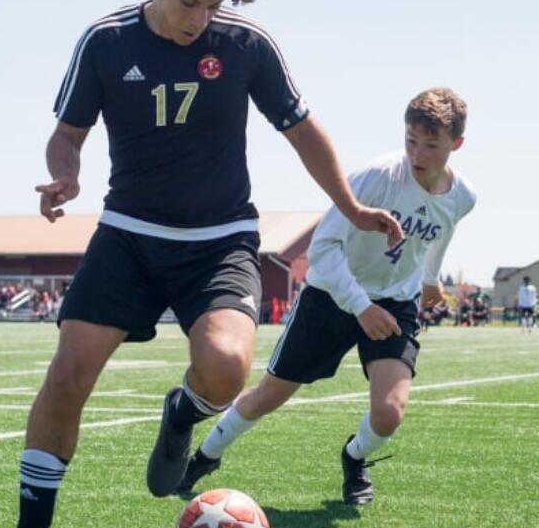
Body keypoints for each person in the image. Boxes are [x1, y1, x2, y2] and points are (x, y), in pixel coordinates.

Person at [0, 0, 400, 528]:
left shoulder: (247, 46)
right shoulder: (105, 42)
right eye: (188, 1)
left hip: (219, 240)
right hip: (128, 236)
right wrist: (66, 174)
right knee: (67, 377)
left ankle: (182, 413)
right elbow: (67, 133)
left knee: (228, 366)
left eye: (213, 4)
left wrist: (350, 204)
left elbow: (304, 131)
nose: (199, 17)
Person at [178, 88, 475, 504]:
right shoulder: (376, 178)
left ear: (456, 144)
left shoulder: (463, 197)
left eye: (431, 145)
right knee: (269, 395)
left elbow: (439, 235)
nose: (417, 154)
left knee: (389, 414)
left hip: (394, 301)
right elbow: (321, 249)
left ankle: (354, 457)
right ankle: (205, 455)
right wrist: (361, 306)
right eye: (411, 140)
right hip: (332, 295)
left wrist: (430, 279)